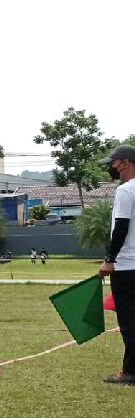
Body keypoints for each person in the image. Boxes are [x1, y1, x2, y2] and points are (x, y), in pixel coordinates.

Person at [98, 144, 135, 385]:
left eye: (113, 163)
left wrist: (109, 260)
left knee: (130, 321)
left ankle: (131, 371)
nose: (111, 167)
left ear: (124, 162)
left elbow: (121, 227)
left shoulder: (126, 191)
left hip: (127, 266)